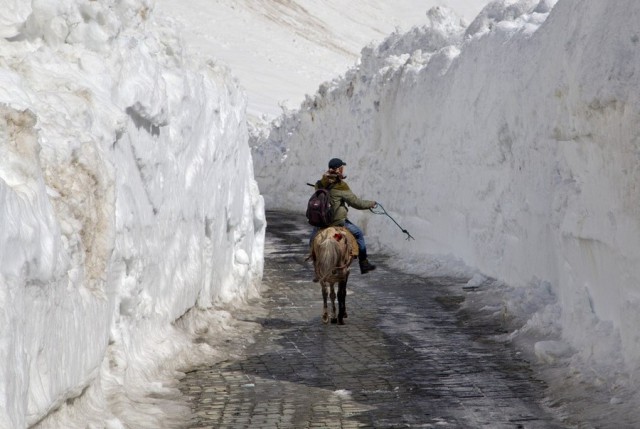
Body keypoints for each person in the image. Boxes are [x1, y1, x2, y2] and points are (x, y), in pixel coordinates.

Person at [310, 157, 377, 274]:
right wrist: (371, 204)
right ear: (339, 169)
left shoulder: (319, 183)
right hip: (338, 222)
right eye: (342, 167)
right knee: (359, 234)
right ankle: (364, 263)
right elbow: (356, 203)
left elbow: (323, 184)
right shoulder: (341, 186)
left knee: (312, 240)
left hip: (322, 222)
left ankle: (314, 259)